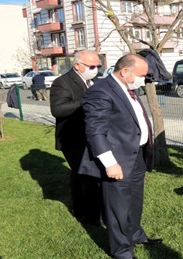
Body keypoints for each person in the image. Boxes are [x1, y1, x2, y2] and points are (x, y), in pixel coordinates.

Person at [79, 54, 161, 259]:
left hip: (137, 156)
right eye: (142, 75)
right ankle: (122, 250)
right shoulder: (100, 91)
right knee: (118, 207)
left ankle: (135, 234)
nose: (144, 79)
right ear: (125, 72)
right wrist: (110, 163)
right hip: (117, 161)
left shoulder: (128, 88)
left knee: (134, 201)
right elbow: (95, 131)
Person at [50, 50, 103, 226]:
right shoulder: (62, 83)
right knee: (87, 175)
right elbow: (58, 109)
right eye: (92, 66)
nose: (95, 70)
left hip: (91, 135)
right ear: (77, 65)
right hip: (73, 138)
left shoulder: (92, 81)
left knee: (78, 174)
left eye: (98, 66)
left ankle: (79, 208)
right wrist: (87, 99)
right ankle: (92, 216)